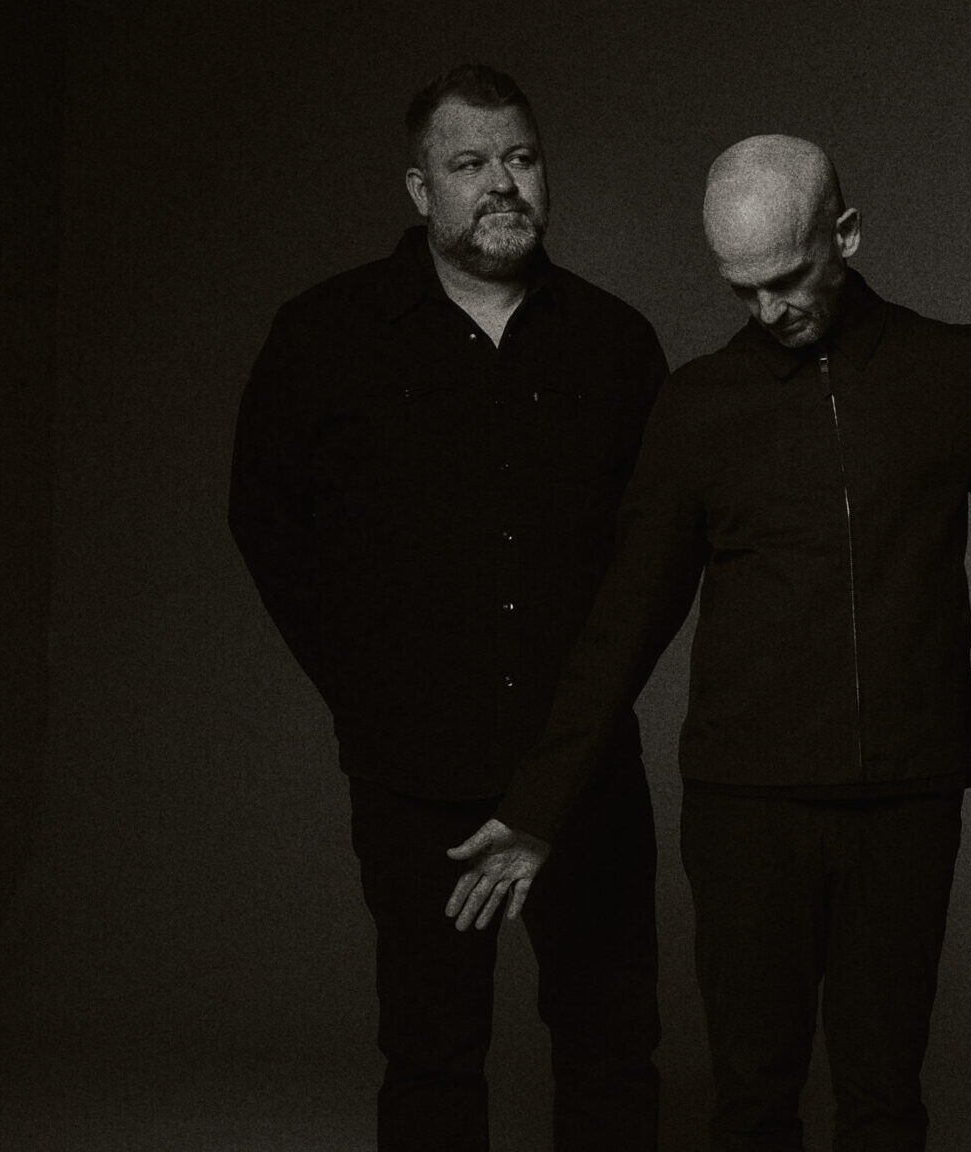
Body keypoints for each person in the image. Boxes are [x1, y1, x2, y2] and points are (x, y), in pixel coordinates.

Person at [446, 134, 971, 1152]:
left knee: (884, 1097)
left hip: (906, 795)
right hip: (746, 810)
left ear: (843, 235)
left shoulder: (948, 368)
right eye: (742, 290)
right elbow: (626, 618)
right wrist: (540, 805)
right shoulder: (697, 405)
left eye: (787, 280)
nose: (768, 311)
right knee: (755, 1099)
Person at [227, 65, 667, 1150]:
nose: (502, 184)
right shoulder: (323, 336)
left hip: (584, 777)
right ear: (420, 191)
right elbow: (266, 523)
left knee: (613, 1052)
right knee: (430, 1059)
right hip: (414, 778)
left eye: (521, 158)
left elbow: (656, 564)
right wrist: (371, 693)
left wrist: (573, 742)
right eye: (469, 164)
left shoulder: (617, 343)